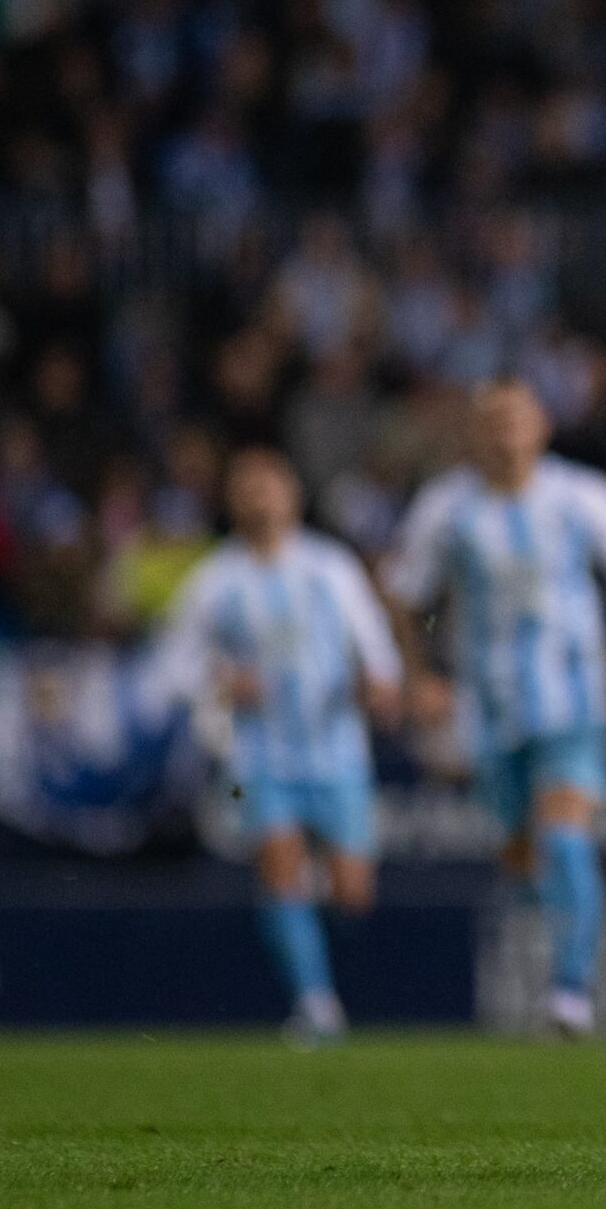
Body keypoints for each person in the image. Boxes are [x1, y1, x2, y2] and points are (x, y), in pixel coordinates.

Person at [387, 379, 606, 1038]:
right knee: (522, 852)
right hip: (488, 707)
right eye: (491, 420)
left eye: (516, 418)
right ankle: (559, 956)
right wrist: (420, 676)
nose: (505, 432)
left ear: (542, 426)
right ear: (473, 434)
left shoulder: (581, 496)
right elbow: (408, 598)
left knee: (566, 828)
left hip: (575, 699)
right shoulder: (447, 509)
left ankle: (571, 993)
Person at [160, 448, 402, 1046]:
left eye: (270, 485)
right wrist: (218, 680)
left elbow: (374, 642)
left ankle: (311, 896)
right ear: (232, 502)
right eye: (248, 487)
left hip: (337, 750)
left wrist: (380, 683)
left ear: (292, 496)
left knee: (353, 896)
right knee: (278, 866)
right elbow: (167, 670)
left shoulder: (330, 567)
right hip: (258, 758)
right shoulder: (215, 580)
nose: (261, 497)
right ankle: (316, 1005)